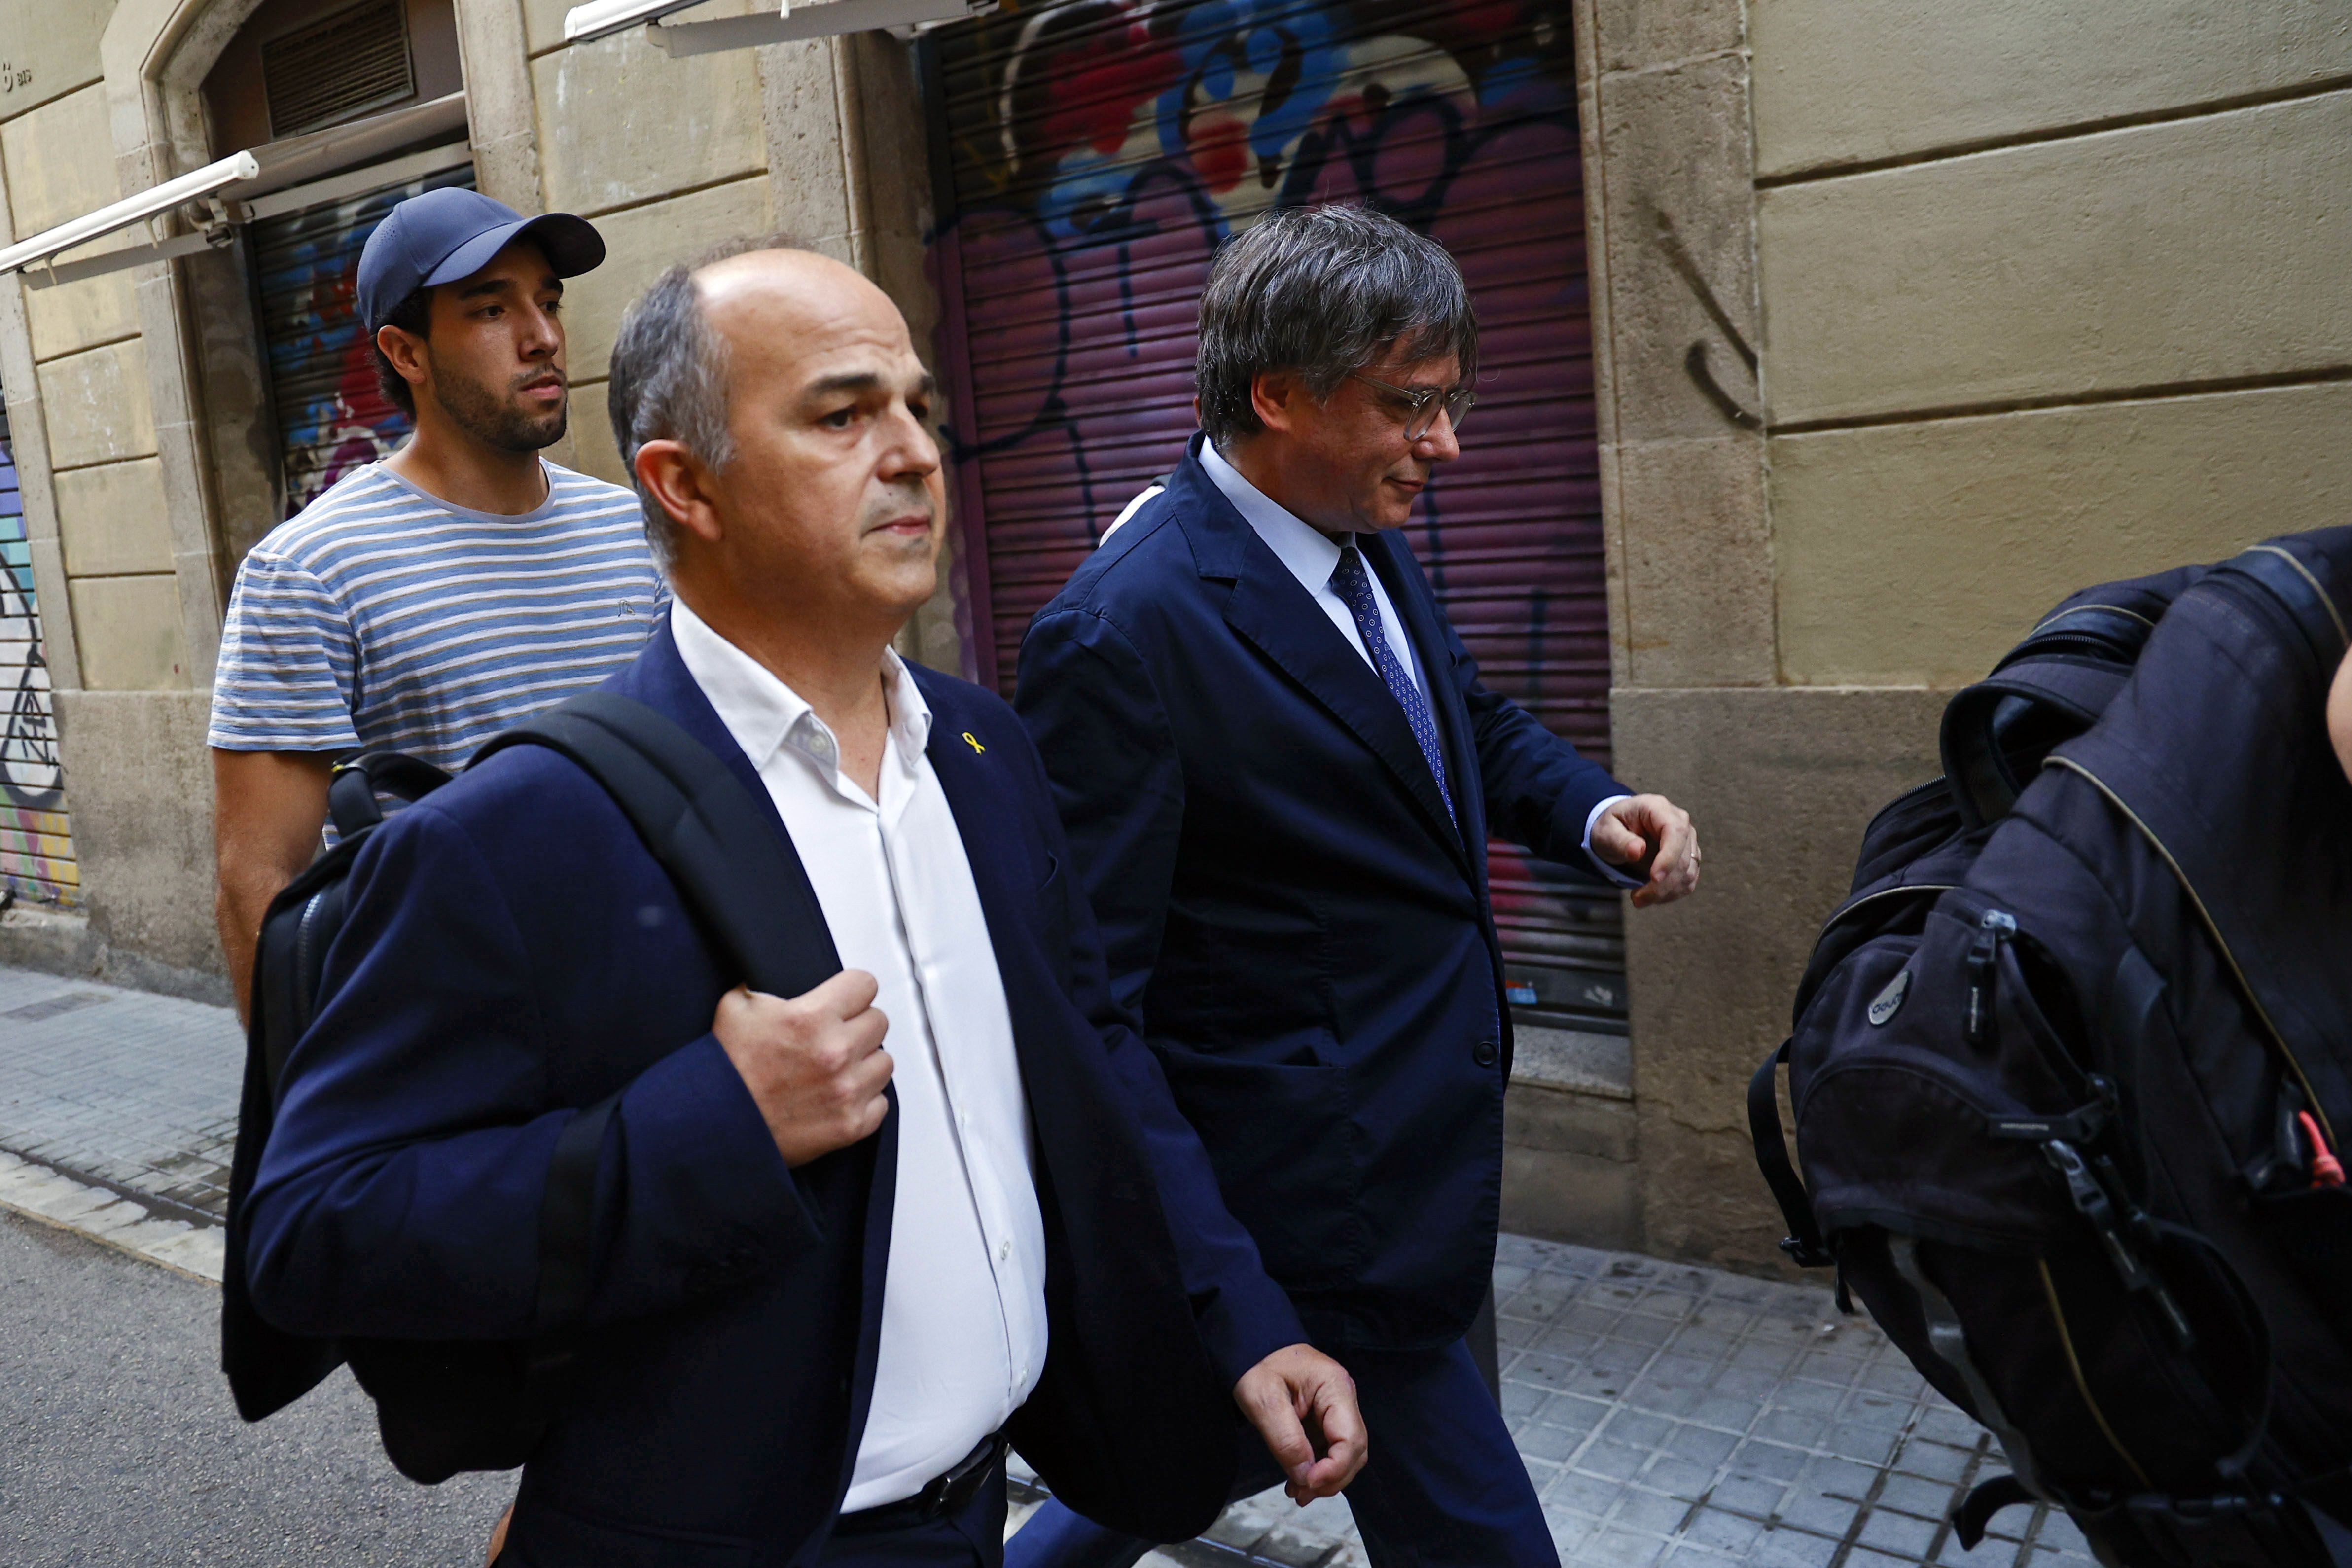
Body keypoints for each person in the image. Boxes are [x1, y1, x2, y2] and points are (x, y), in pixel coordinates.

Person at [240, 240, 1367, 1567]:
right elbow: (314, 1231)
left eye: (918, 408)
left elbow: (1097, 1052)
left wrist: (1238, 1312)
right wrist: (710, 1123)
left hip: (974, 1514)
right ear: (685, 483)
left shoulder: (986, 755)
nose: (914, 453)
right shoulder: (523, 831)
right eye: (842, 415)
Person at [1008, 204, 1702, 1568]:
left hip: (1422, 1158)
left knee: (1181, 1466)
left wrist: (1590, 808)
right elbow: (1092, 1008)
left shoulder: (1355, 526)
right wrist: (1227, 1287)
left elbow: (1462, 722)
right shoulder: (1123, 628)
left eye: (1447, 404)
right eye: (1411, 407)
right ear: (1279, 395)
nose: (1447, 445)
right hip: (1319, 1218)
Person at [209, 187, 664, 1018]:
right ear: (405, 353)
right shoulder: (309, 571)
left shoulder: (637, 530)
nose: (544, 338)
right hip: (465, 1033)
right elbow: (259, 879)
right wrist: (300, 1111)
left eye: (548, 302)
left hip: (666, 998)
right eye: (492, 309)